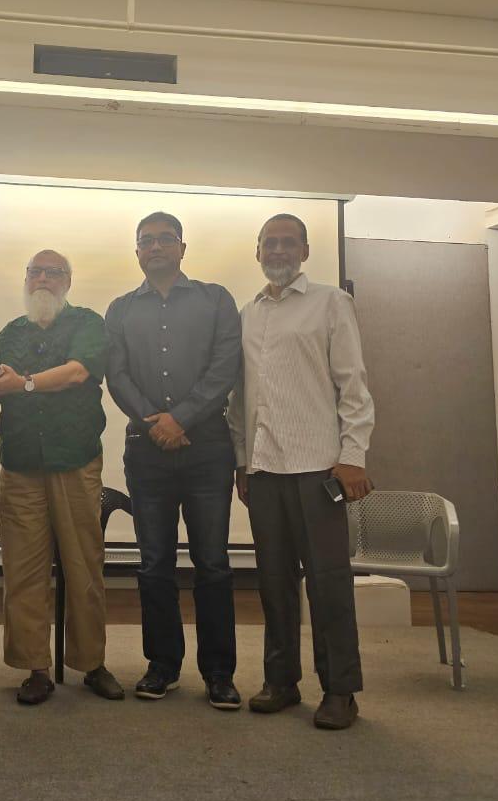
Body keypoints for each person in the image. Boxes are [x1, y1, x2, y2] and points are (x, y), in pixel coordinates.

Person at [227, 213, 375, 730]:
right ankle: (281, 681)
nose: (278, 251)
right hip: (264, 470)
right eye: (269, 243)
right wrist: (242, 460)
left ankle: (340, 691)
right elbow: (239, 398)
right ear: (257, 251)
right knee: (273, 583)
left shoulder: (331, 303)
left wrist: (353, 455)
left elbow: (353, 386)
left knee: (328, 584)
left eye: (288, 243)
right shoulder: (247, 314)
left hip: (320, 470)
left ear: (306, 251)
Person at [105, 212, 243, 708]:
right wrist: (155, 423)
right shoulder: (120, 309)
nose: (157, 247)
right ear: (137, 252)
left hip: (207, 450)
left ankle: (219, 672)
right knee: (154, 563)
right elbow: (117, 375)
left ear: (183, 248)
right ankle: (162, 665)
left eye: (167, 239)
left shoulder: (216, 299)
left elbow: (225, 368)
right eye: (147, 241)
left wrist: (180, 419)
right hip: (147, 453)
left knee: (213, 563)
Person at [0, 249, 123, 705]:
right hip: (20, 463)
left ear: (68, 281)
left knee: (84, 565)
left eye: (53, 272)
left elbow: (77, 373)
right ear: (26, 279)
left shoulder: (87, 323)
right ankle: (35, 669)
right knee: (23, 569)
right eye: (35, 272)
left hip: (74, 460)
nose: (42, 279)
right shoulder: (12, 331)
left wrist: (22, 383)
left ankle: (92, 663)